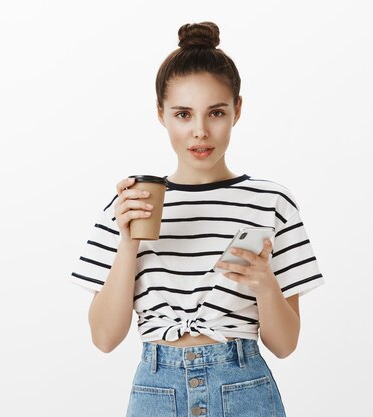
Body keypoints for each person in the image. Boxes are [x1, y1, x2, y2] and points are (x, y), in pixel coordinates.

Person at [69, 21, 325, 417]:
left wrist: (263, 283)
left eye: (216, 112)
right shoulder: (130, 205)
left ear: (237, 110)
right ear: (161, 114)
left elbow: (286, 344)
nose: (200, 132)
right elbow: (104, 338)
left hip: (244, 388)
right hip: (157, 392)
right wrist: (128, 242)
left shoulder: (272, 202)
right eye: (183, 114)